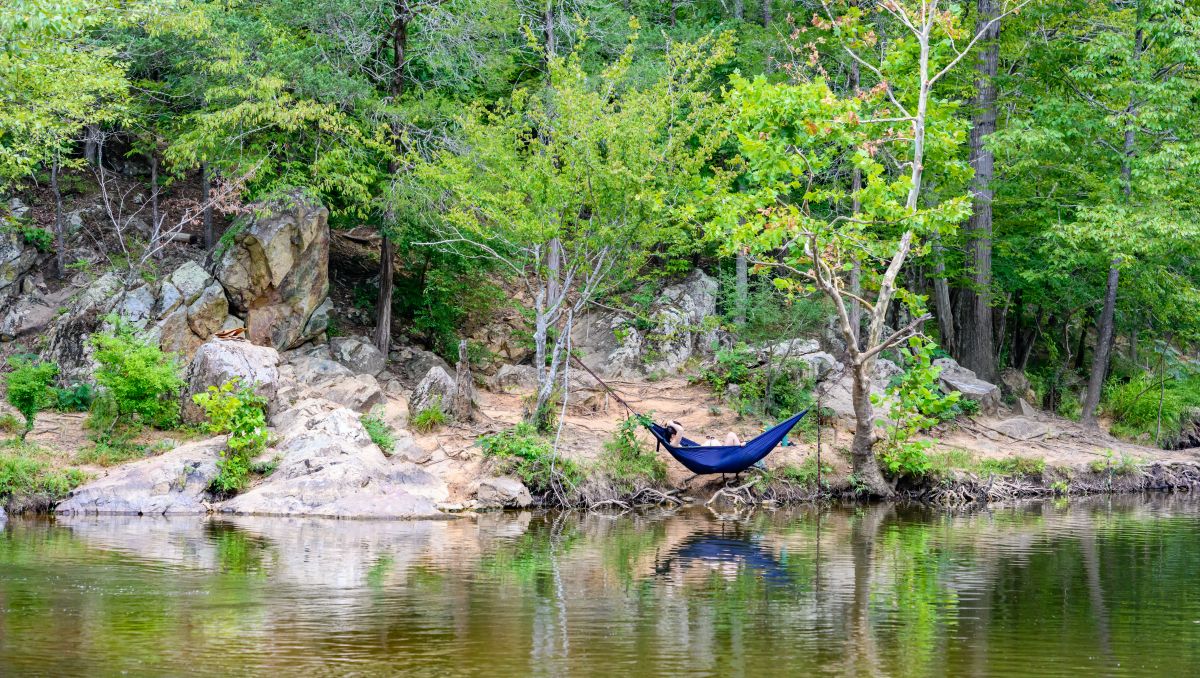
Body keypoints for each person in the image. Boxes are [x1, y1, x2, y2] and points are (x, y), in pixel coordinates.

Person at [664, 420, 742, 447]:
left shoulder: (676, 442)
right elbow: (681, 430)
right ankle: (740, 448)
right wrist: (671, 423)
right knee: (731, 435)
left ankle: (739, 446)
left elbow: (680, 430)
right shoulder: (674, 444)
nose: (680, 436)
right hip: (713, 454)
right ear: (673, 434)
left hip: (712, 452)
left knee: (732, 436)